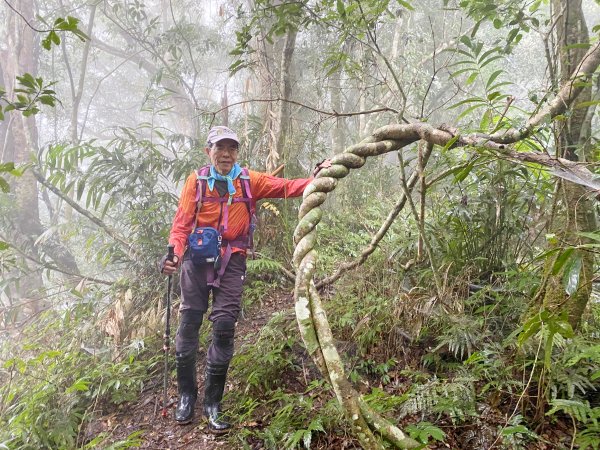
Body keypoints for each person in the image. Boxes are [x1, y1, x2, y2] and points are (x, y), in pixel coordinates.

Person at [160, 125, 330, 432]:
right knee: (189, 325)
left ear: (236, 152)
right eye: (219, 148)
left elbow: (288, 187)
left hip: (232, 262)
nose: (225, 154)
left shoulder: (248, 180)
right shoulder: (196, 182)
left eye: (231, 149)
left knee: (224, 329)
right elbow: (181, 225)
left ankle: (213, 403)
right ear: (208, 151)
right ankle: (186, 395)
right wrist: (173, 252)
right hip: (196, 262)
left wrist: (317, 177)